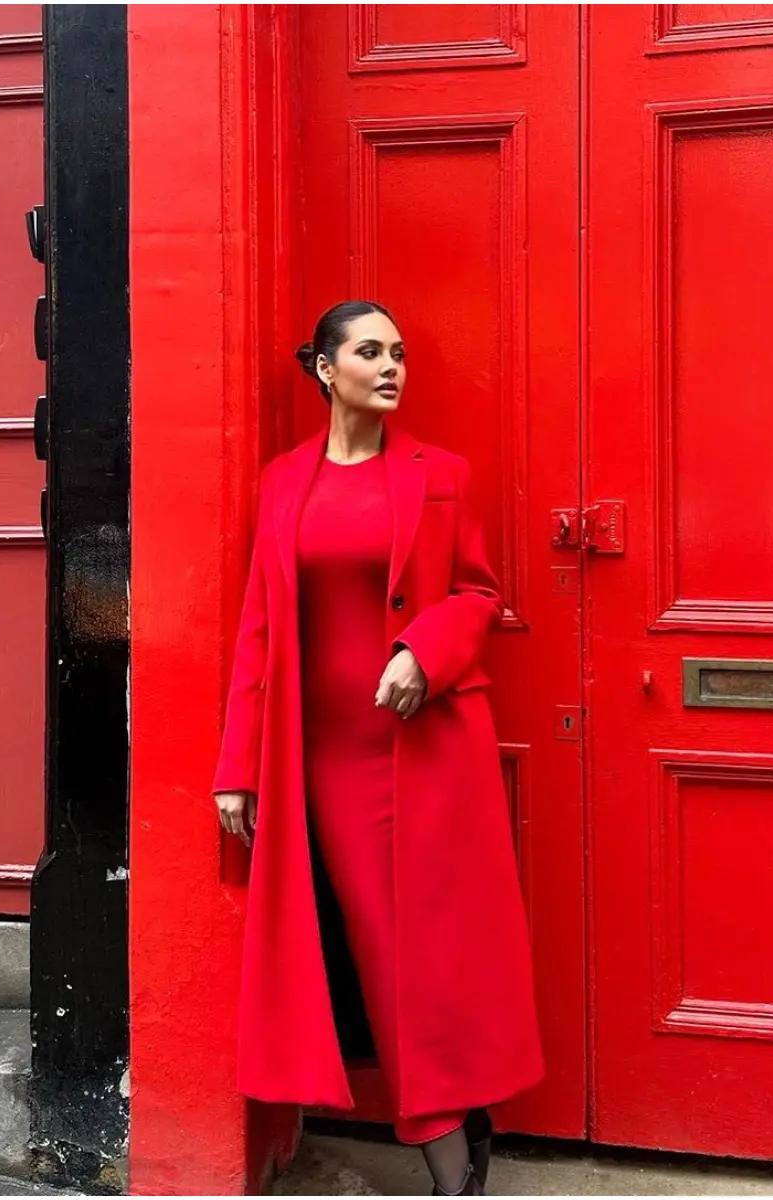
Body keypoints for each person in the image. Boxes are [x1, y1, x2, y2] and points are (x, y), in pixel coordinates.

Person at [212, 301, 544, 1195]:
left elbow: (478, 596)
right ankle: (455, 1134)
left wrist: (420, 653)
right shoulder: (283, 482)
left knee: (435, 950)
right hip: (323, 760)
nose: (391, 366)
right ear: (325, 369)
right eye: (369, 352)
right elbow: (257, 630)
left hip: (429, 748)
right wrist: (237, 769)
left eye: (399, 352)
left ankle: (448, 1157)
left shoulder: (443, 475)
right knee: (379, 945)